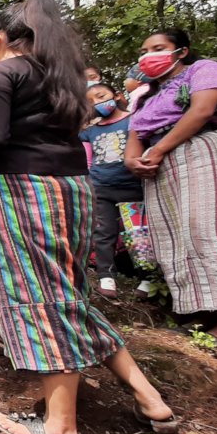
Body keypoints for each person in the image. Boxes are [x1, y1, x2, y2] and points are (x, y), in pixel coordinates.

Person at [0, 0, 176, 434]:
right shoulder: (57, 78)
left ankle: (61, 428)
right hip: (74, 190)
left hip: (26, 193)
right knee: (69, 296)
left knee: (37, 298)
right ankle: (150, 399)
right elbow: (18, 133)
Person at [125, 28, 217, 344]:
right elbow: (135, 134)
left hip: (205, 150)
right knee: (174, 236)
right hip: (161, 165)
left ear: (181, 51)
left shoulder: (203, 70)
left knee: (211, 228)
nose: (148, 55)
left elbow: (202, 110)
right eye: (144, 50)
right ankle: (200, 311)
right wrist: (133, 161)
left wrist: (160, 149)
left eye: (158, 47)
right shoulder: (147, 95)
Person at [80, 84, 151, 299]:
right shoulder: (90, 132)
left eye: (101, 96)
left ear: (117, 95)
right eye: (91, 102)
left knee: (138, 233)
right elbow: (88, 161)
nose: (98, 103)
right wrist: (89, 184)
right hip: (102, 188)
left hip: (132, 187)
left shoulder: (134, 121)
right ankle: (105, 276)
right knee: (104, 232)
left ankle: (148, 278)